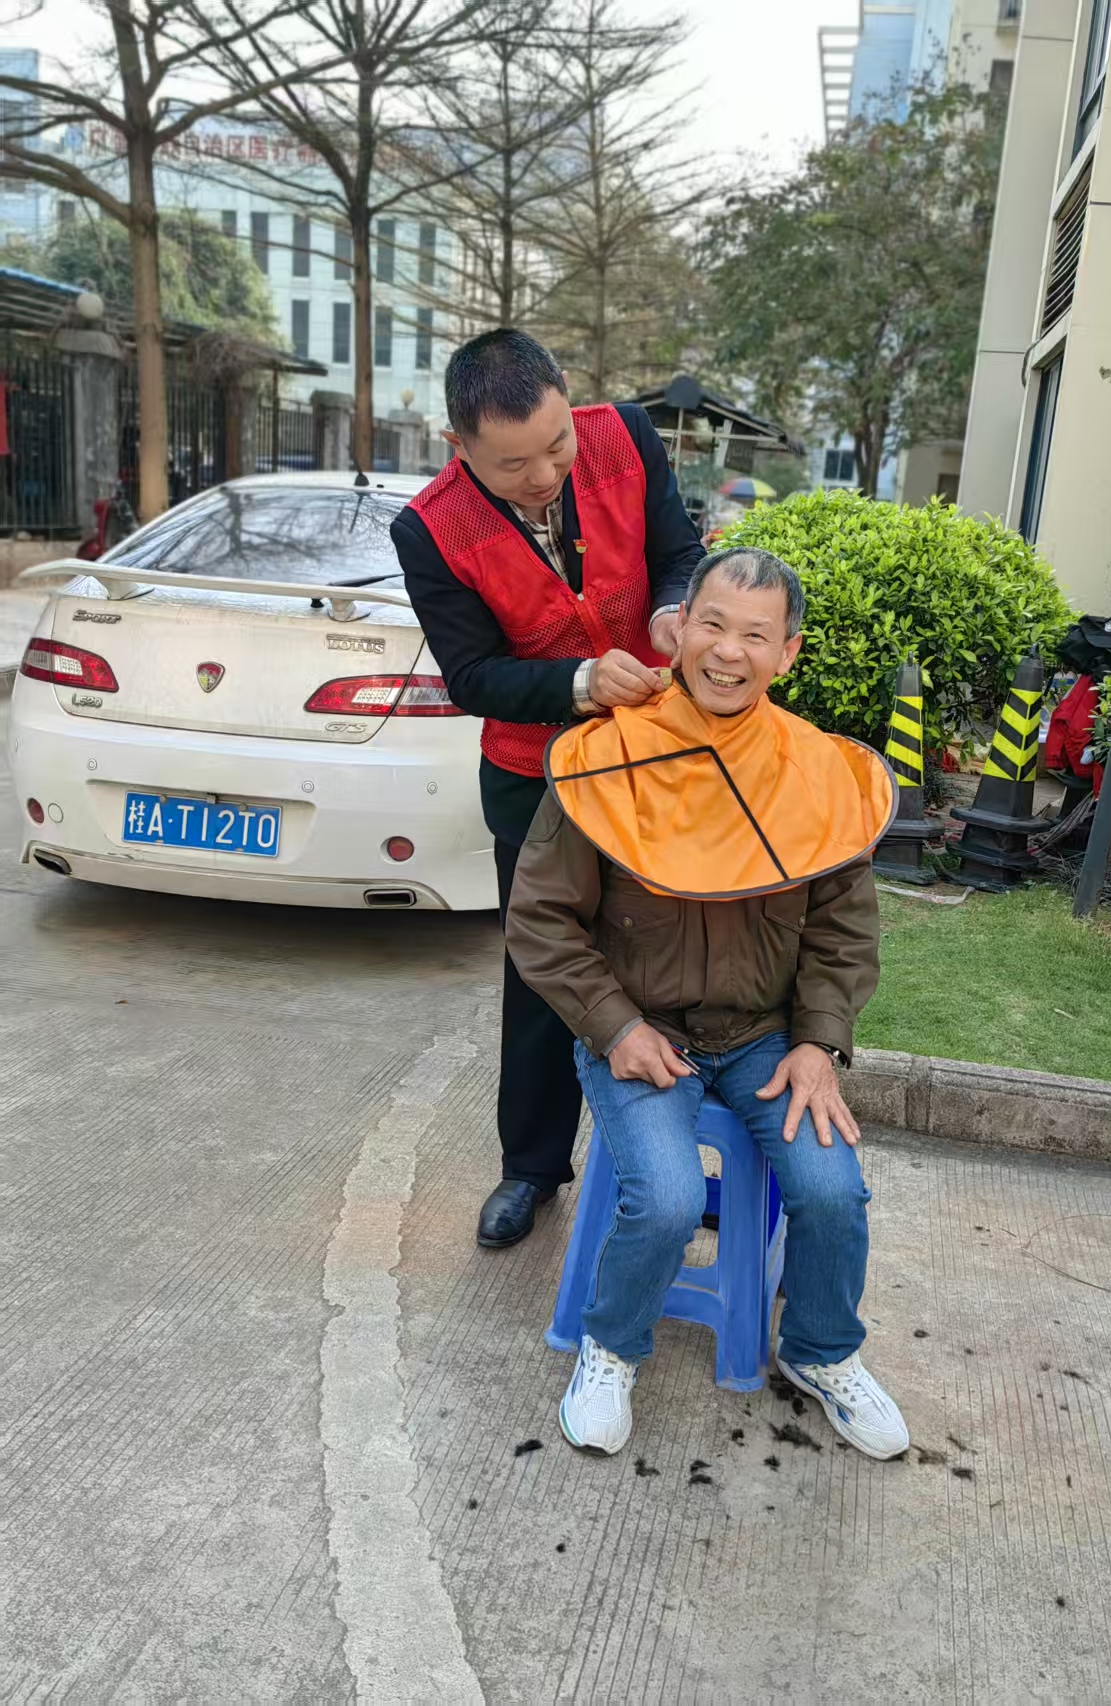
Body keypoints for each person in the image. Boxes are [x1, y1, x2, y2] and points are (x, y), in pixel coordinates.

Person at [505, 547, 911, 1460]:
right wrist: (612, 1026)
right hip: (641, 1029)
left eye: (755, 636)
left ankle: (820, 1352)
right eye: (713, 625)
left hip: (767, 1038)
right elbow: (539, 918)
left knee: (832, 1190)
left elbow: (843, 934)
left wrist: (819, 1043)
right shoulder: (607, 755)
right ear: (678, 628)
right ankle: (611, 1346)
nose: (729, 652)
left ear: (787, 654)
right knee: (666, 1199)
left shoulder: (819, 774)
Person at [392, 330, 704, 1251]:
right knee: (540, 974)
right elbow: (472, 675)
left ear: (568, 397)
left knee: (677, 955)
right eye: (513, 464)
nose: (544, 476)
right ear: (459, 446)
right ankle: (529, 1168)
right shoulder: (429, 529)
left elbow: (680, 552)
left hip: (657, 757)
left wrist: (670, 610)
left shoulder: (628, 436)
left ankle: (673, 1163)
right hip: (534, 778)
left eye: (556, 445)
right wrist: (578, 681)